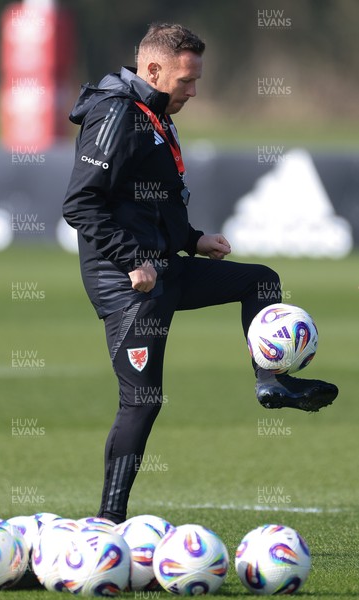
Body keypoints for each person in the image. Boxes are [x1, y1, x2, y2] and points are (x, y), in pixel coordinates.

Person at [63, 23, 338, 524]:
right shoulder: (117, 113)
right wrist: (132, 261)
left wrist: (194, 240)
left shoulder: (154, 114)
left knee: (260, 280)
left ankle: (270, 381)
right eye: (186, 81)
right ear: (152, 69)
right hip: (129, 286)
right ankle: (107, 525)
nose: (194, 91)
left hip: (164, 267)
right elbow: (80, 204)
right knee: (142, 403)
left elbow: (151, 204)